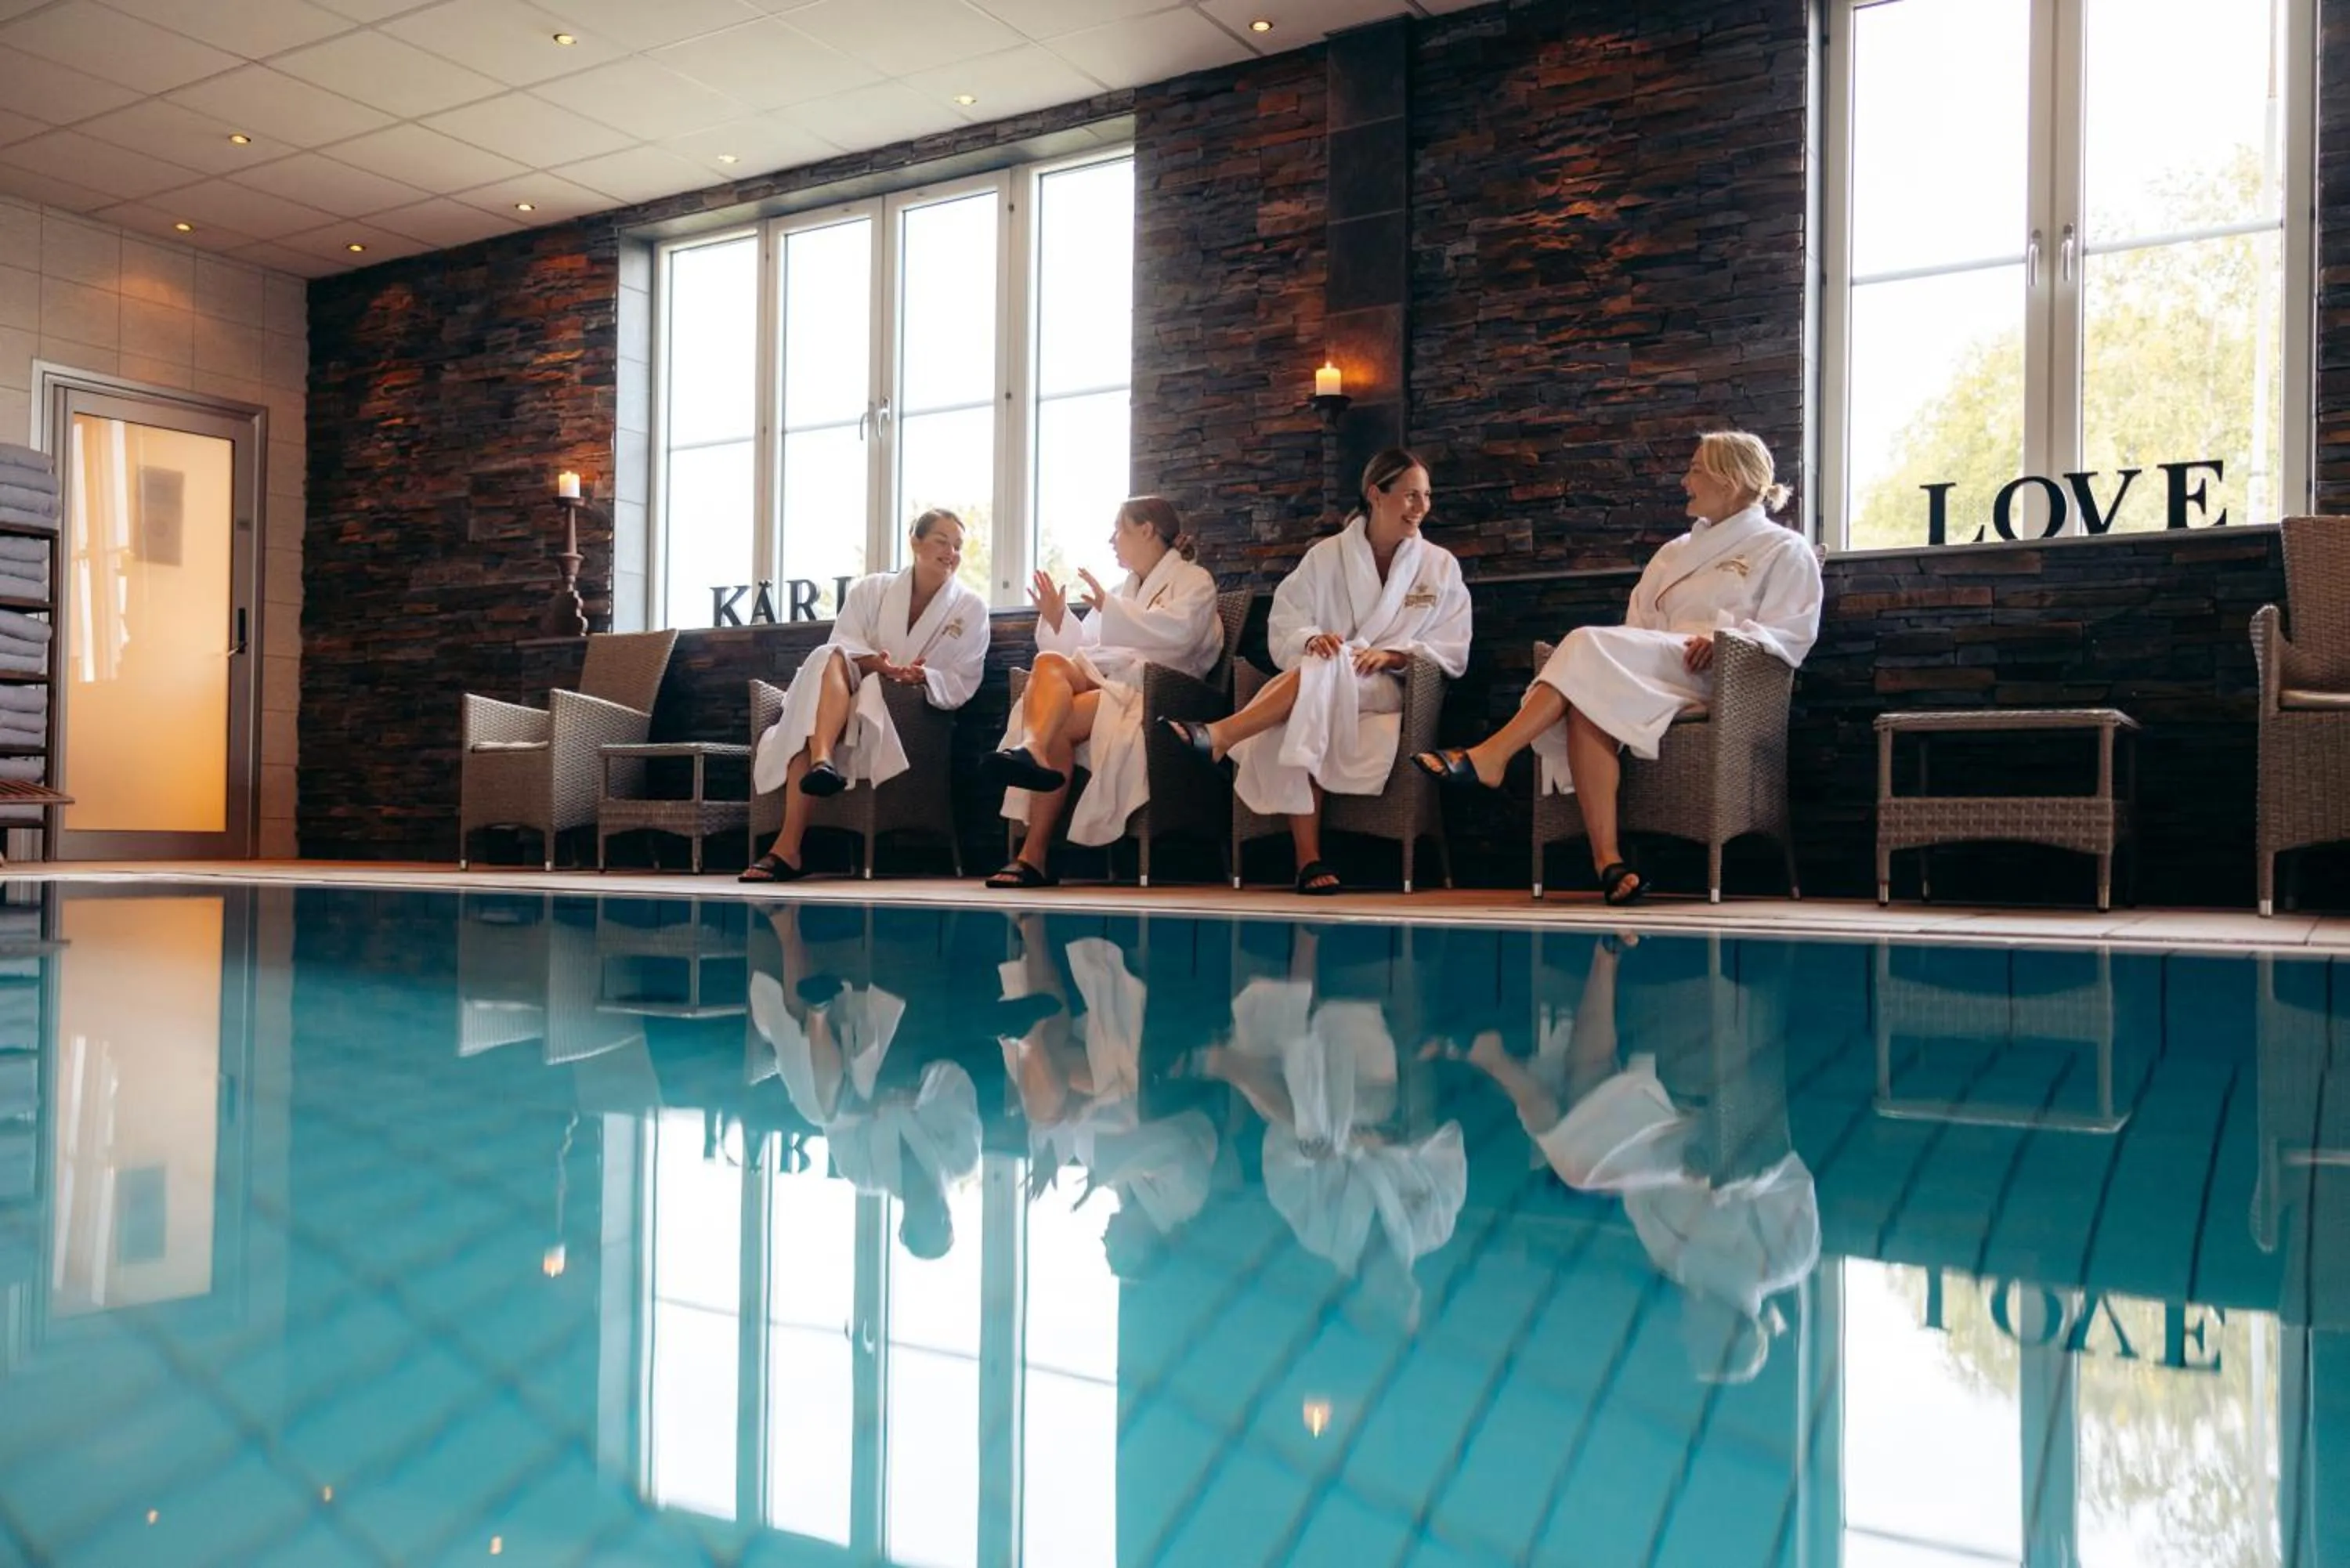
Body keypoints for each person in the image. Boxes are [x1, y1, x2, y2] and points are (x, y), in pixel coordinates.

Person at [1414, 432, 1822, 905]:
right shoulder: (1674, 552)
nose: (1684, 480)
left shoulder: (1783, 548)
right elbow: (1640, 624)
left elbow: (1792, 632)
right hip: (1657, 669)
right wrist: (1638, 654)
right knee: (1588, 698)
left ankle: (1493, 754)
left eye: (1695, 469)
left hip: (1720, 677)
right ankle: (1609, 863)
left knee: (1585, 644)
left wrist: (1727, 639)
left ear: (1730, 480)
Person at [1163, 449, 1470, 896]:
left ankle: (1226, 739)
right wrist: (1311, 639)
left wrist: (1395, 656)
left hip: (1390, 686)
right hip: (1331, 676)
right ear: (1375, 495)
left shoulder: (1440, 566)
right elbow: (1287, 619)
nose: (1421, 507)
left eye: (1426, 496)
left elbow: (1453, 642)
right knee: (1321, 674)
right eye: (1409, 496)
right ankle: (1307, 858)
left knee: (1322, 675)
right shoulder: (1326, 557)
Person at [985, 497, 1222, 888]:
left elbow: (1180, 638)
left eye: (1119, 529)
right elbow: (1086, 646)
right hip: (1105, 680)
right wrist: (1058, 617)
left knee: (1055, 725)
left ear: (1146, 530)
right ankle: (1032, 748)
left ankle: (1034, 855)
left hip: (1152, 693)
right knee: (1047, 665)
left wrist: (1113, 610)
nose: (1112, 540)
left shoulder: (1193, 581)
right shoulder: (1121, 589)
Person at [741, 510, 988, 883]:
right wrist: (876, 664)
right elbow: (842, 643)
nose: (950, 552)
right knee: (828, 657)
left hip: (901, 711)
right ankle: (820, 766)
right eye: (941, 541)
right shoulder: (871, 590)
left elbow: (965, 672)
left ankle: (789, 844)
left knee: (803, 730)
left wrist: (923, 676)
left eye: (958, 546)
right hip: (845, 691)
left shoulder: (970, 608)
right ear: (915, 541)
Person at [747, 904, 981, 1261]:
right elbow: (955, 1081)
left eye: (922, 1222)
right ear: (948, 1215)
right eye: (940, 1220)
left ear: (905, 1222)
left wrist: (870, 1106)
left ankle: (816, 1002)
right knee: (814, 1087)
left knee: (819, 1108)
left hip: (845, 1063)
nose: (930, 1212)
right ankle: (794, 946)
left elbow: (835, 1125)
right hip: (904, 1054)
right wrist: (912, 1095)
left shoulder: (864, 1174)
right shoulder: (961, 1158)